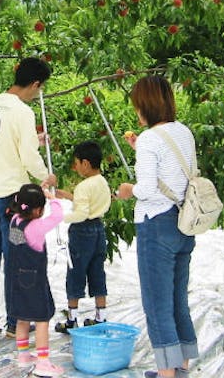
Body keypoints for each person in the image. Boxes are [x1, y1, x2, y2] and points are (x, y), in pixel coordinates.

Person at [116, 75, 197, 378]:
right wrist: (141, 148)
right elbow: (173, 170)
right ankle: (182, 367)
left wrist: (127, 190)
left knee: (156, 305)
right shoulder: (184, 132)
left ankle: (166, 374)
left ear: (146, 105)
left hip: (156, 226)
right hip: (182, 223)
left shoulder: (151, 138)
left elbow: (147, 188)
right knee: (178, 300)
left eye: (138, 104)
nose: (137, 111)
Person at [0, 57, 57, 338]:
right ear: (35, 84)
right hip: (12, 198)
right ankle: (14, 322)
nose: (37, 94)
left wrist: (35, 140)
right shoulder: (22, 112)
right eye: (39, 88)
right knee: (15, 258)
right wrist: (46, 176)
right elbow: (28, 157)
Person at [53, 140, 112, 333]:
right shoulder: (102, 182)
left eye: (77, 163)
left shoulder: (84, 186)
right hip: (98, 229)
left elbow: (81, 214)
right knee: (97, 272)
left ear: (85, 164)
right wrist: (70, 197)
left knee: (75, 273)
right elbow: (91, 204)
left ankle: (72, 319)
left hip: (81, 232)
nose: (75, 167)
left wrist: (60, 216)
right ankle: (100, 317)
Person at [7, 184, 65, 377]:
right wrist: (52, 197)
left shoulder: (14, 220)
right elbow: (57, 216)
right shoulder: (37, 227)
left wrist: (38, 192)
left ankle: (23, 356)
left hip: (16, 276)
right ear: (38, 210)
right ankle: (43, 362)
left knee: (22, 316)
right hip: (33, 279)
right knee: (41, 319)